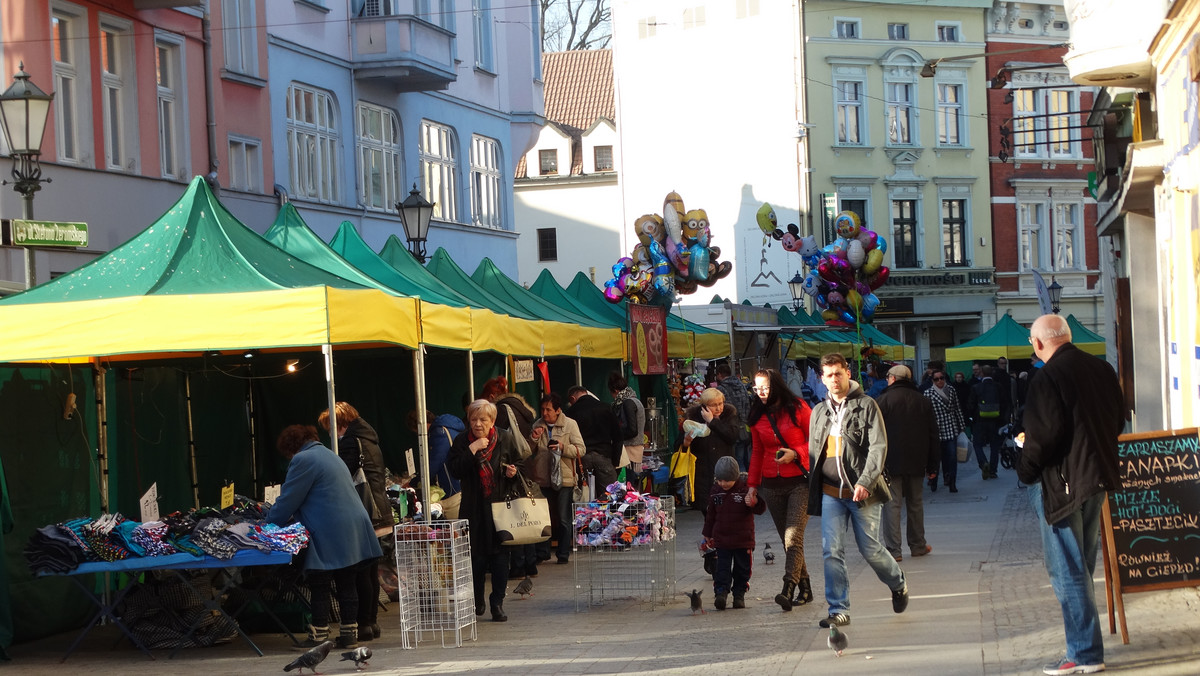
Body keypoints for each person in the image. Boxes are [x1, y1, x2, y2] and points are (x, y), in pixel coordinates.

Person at [1017, 314, 1123, 676]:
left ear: (1039, 343)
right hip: (1097, 478)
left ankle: (1084, 653)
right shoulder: (1101, 369)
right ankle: (1085, 647)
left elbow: (1043, 437)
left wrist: (1024, 468)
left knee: (1068, 571)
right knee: (1080, 566)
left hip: (1062, 485)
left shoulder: (1046, 377)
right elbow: (1118, 419)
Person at [807, 352, 908, 629]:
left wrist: (865, 481)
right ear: (822, 378)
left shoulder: (867, 405)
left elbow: (878, 447)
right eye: (828, 375)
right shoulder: (819, 411)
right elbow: (815, 452)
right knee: (831, 551)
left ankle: (898, 582)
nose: (834, 379)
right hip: (831, 493)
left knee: (871, 550)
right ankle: (839, 609)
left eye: (838, 373)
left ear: (847, 373)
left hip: (862, 492)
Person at [268, 425, 383, 649]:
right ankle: (350, 635)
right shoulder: (331, 455)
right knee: (347, 581)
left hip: (329, 528)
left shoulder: (303, 460)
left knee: (319, 581)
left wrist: (268, 523)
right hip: (354, 525)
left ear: (291, 448)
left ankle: (318, 636)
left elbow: (289, 499)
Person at [317, 402, 388, 642]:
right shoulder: (369, 439)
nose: (329, 433)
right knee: (370, 571)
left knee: (360, 573)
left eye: (330, 427)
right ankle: (372, 622)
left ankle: (364, 623)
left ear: (341, 423)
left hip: (364, 510)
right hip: (379, 509)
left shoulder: (350, 442)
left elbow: (343, 478)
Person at [446, 399, 522, 622]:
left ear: (492, 421)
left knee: (500, 559)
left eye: (483, 419)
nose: (478, 424)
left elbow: (521, 464)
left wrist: (513, 472)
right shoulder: (462, 441)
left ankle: (497, 603)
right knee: (476, 559)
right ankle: (477, 600)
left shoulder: (504, 439)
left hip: (499, 507)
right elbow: (455, 470)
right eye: (473, 419)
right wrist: (472, 449)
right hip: (473, 508)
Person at [745, 368, 813, 612]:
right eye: (757, 388)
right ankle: (806, 588)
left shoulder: (798, 408)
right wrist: (752, 486)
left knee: (792, 536)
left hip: (799, 482)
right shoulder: (756, 415)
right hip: (771, 485)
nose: (761, 392)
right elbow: (757, 452)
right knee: (788, 542)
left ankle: (788, 587)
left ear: (776, 386)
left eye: (765, 387)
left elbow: (816, 440)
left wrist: (797, 453)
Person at [875, 365, 939, 562]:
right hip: (917, 461)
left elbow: (875, 434)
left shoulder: (882, 401)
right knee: (916, 504)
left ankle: (894, 551)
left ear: (893, 379)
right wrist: (933, 465)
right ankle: (918, 545)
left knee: (892, 506)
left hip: (890, 462)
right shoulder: (923, 400)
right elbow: (933, 435)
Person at [480, 376, 540, 576]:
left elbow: (501, 441)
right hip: (527, 464)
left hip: (511, 465)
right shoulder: (524, 410)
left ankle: (518, 564)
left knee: (515, 515)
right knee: (526, 513)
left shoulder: (503, 411)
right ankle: (530, 563)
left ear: (491, 397)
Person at [701, 456, 766, 611]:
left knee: (742, 569)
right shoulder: (716, 492)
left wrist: (754, 502)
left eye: (727, 481)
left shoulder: (745, 489)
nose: (723, 484)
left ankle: (739, 594)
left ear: (735, 478)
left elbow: (760, 508)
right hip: (722, 540)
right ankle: (721, 593)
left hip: (743, 539)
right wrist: (707, 534)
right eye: (720, 480)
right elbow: (710, 515)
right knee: (721, 568)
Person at [529, 393, 585, 565]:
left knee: (563, 518)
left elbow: (581, 450)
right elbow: (527, 452)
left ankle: (562, 554)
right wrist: (533, 438)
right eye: (543, 409)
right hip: (542, 478)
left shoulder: (570, 424)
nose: (545, 413)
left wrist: (562, 447)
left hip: (565, 478)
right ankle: (543, 552)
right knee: (544, 517)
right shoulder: (538, 424)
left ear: (558, 410)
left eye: (549, 409)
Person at [679, 388, 740, 515]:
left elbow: (732, 437)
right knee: (707, 512)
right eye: (714, 405)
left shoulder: (729, 414)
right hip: (702, 472)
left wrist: (713, 422)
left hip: (724, 471)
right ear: (704, 406)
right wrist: (686, 443)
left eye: (720, 403)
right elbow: (680, 444)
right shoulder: (693, 418)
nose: (718, 408)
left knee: (726, 512)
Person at [406, 409, 466, 518]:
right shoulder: (447, 428)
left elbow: (435, 462)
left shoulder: (439, 433)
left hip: (453, 491)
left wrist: (414, 482)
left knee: (457, 530)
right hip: (459, 487)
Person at [565, 385, 622, 488]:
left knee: (584, 498)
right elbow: (618, 437)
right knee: (609, 496)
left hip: (582, 460)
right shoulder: (606, 407)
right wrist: (615, 462)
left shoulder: (571, 412)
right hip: (604, 457)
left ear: (572, 398)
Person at [925, 369, 966, 492]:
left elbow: (957, 408)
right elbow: (926, 414)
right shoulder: (928, 393)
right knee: (936, 458)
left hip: (951, 427)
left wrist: (962, 426)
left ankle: (952, 481)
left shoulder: (951, 390)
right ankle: (934, 480)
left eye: (941, 378)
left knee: (952, 457)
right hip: (936, 430)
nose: (940, 381)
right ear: (932, 381)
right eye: (936, 379)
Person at [969, 364, 1006, 480]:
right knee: (994, 446)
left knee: (977, 444)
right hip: (995, 420)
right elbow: (1005, 403)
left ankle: (983, 462)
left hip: (980, 420)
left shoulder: (976, 387)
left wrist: (971, 418)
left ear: (982, 373)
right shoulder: (998, 387)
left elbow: (971, 405)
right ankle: (993, 471)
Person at [714, 363, 753, 470]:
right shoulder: (741, 385)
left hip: (730, 428)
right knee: (744, 458)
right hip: (745, 427)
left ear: (719, 375)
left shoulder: (720, 389)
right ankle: (747, 481)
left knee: (735, 460)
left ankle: (741, 482)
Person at [608, 373, 646, 474]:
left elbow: (632, 430)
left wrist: (615, 436)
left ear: (615, 391)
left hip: (630, 451)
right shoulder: (636, 400)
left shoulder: (627, 403)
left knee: (627, 484)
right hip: (636, 449)